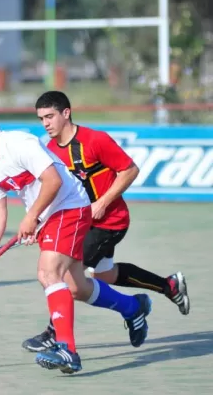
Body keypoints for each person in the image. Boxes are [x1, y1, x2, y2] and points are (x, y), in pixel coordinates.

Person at [0, 104, 152, 374]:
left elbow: (53, 181)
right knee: (77, 288)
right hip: (49, 216)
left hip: (70, 207)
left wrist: (31, 217)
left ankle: (67, 349)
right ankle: (133, 307)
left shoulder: (20, 144)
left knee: (48, 272)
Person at [21, 91, 190, 352]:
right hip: (78, 224)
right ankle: (167, 286)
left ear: (66, 113)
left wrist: (103, 202)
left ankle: (55, 333)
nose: (45, 123)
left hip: (109, 221)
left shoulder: (94, 140)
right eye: (41, 118)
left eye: (50, 116)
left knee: (64, 276)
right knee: (105, 274)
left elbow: (130, 169)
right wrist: (38, 224)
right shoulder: (50, 151)